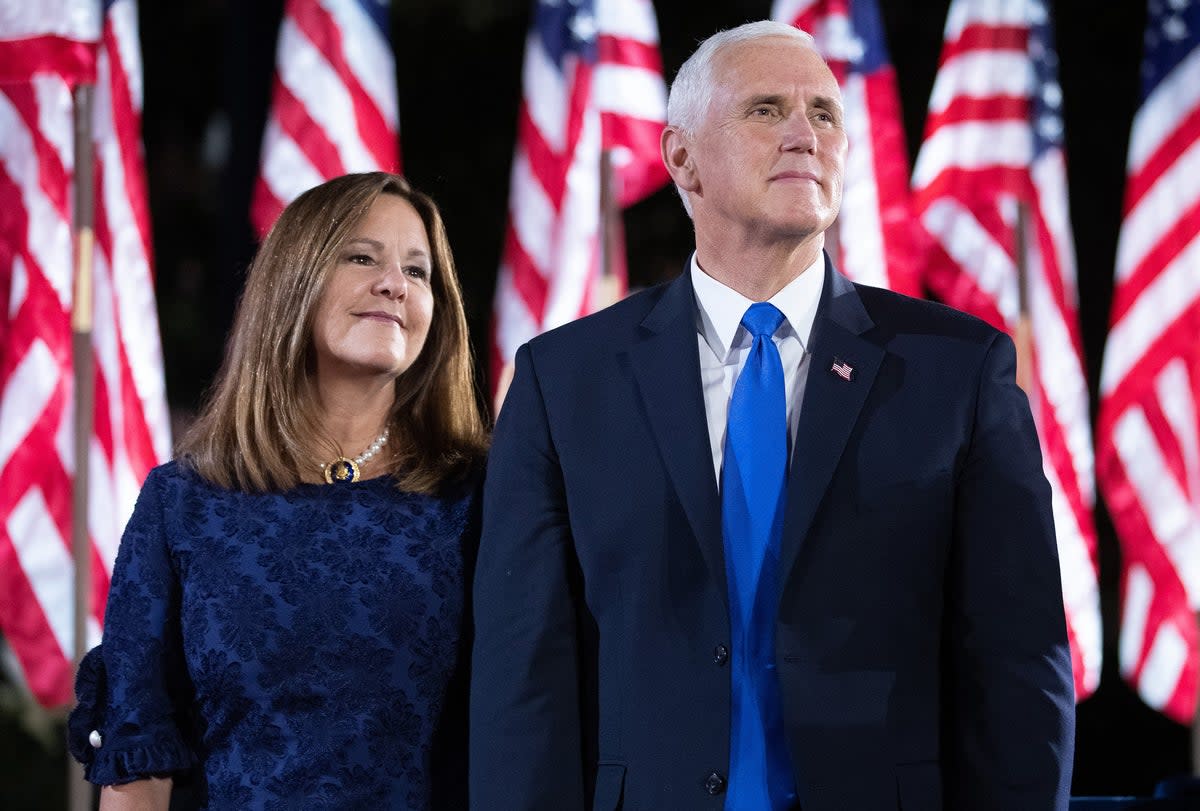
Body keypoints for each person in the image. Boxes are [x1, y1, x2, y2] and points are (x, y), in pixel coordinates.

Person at [470, 20, 1074, 811]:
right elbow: (523, 676)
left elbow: (1019, 660)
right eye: (765, 109)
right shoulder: (563, 378)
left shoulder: (957, 370)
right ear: (680, 157)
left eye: (824, 114)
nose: (804, 134)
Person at [68, 172, 488, 809]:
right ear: (294, 282)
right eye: (362, 257)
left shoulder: (480, 497)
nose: (394, 283)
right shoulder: (182, 505)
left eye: (418, 270)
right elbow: (138, 769)